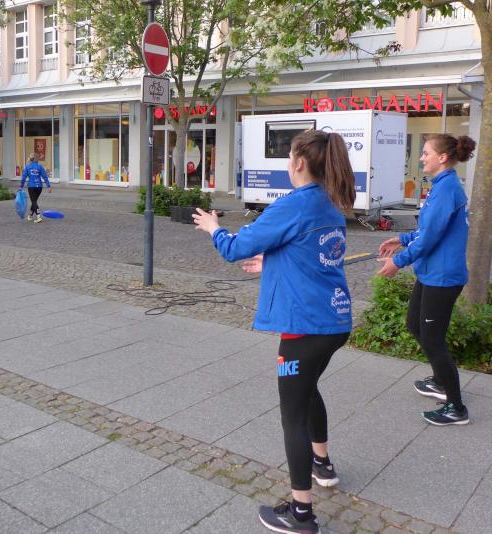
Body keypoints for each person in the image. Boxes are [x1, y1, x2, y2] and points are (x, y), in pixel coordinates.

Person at [193, 130, 355, 534]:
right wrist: (275, 261)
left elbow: (233, 248)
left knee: (292, 415)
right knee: (308, 389)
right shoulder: (329, 203)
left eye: (289, 157)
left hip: (305, 326)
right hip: (334, 320)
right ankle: (322, 463)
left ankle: (301, 514)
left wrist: (213, 227)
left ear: (298, 162)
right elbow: (317, 255)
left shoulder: (294, 204)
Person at [377, 133, 475, 426]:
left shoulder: (447, 189)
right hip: (431, 273)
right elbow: (428, 230)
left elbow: (430, 237)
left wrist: (398, 261)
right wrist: (401, 239)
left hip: (442, 277)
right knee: (414, 325)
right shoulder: (441, 186)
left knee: (433, 339)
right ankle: (440, 381)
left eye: (426, 153)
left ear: (442, 157)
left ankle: (456, 407)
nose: (421, 158)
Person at [19, 153, 51, 222]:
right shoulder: (40, 166)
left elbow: (23, 178)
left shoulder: (27, 167)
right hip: (39, 187)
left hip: (31, 187)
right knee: (34, 201)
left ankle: (38, 216)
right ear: (36, 159)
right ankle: (30, 215)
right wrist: (48, 186)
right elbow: (45, 177)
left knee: (33, 201)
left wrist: (21, 187)